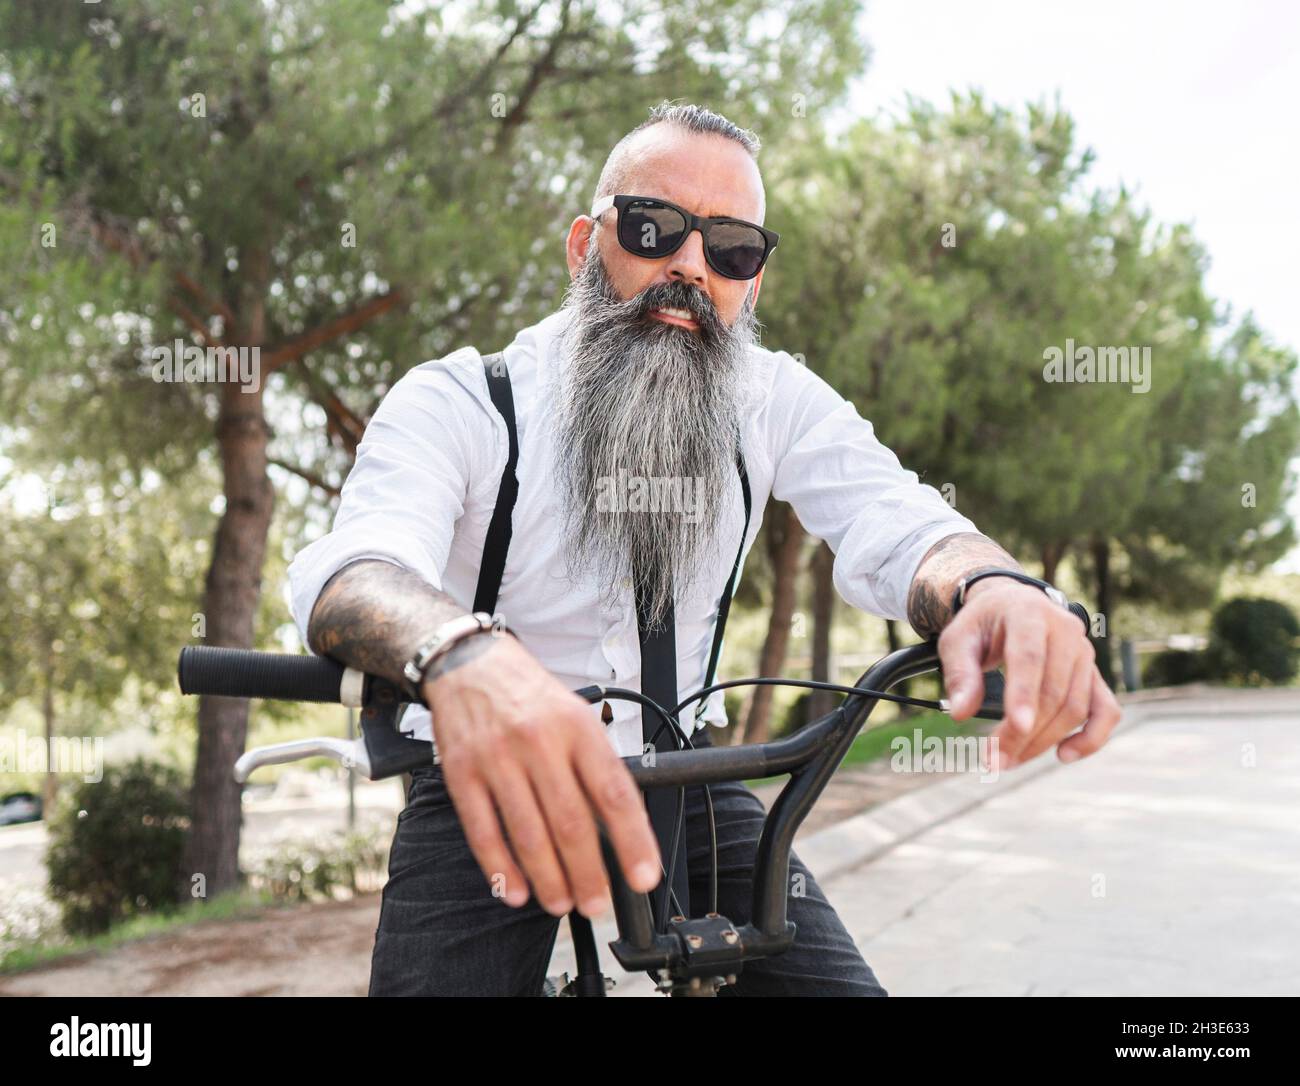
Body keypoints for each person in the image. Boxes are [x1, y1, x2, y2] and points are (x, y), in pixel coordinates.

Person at [287, 102, 1120, 996]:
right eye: (653, 229)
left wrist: (992, 587)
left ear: (751, 283)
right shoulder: (464, 400)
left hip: (689, 773)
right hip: (490, 777)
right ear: (584, 245)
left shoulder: (771, 398)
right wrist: (462, 656)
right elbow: (358, 569)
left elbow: (899, 519)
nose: (688, 265)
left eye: (730, 250)